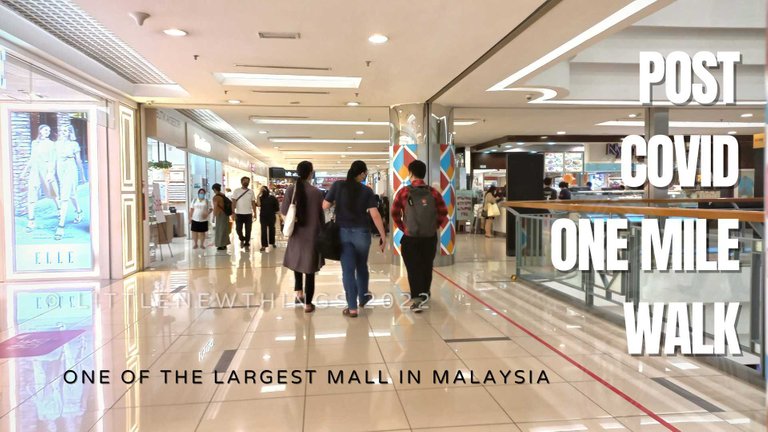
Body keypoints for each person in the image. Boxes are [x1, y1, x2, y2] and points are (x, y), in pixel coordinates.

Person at [323, 160, 387, 318]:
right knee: (362, 266)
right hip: (362, 233)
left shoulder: (338, 186)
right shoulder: (366, 191)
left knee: (348, 270)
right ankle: (363, 298)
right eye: (365, 173)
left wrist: (336, 203)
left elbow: (324, 205)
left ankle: (352, 307)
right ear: (362, 174)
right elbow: (375, 214)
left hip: (343, 233)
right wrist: (383, 235)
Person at [391, 160, 448, 312]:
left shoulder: (404, 192)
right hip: (429, 236)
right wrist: (434, 226)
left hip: (411, 237)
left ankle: (417, 299)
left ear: (410, 173)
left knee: (413, 268)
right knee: (426, 265)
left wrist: (404, 228)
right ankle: (425, 293)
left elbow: (394, 213)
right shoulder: (434, 192)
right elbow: (443, 212)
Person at [282, 161, 325, 313]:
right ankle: (308, 304)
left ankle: (299, 294)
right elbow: (320, 216)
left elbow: (284, 213)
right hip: (312, 235)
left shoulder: (290, 190)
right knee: (310, 269)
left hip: (296, 234)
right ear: (310, 173)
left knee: (297, 263)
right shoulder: (316, 192)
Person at [21, 124, 58, 232]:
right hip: (34, 171)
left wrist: (50, 173)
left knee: (53, 192)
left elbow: (52, 160)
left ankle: (60, 210)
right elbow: (32, 158)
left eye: (49, 130)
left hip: (46, 169)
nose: (48, 132)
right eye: (45, 130)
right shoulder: (34, 143)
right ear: (40, 130)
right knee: (31, 194)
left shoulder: (51, 144)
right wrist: (24, 171)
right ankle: (31, 221)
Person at [53, 124, 86, 241]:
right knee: (71, 195)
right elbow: (53, 159)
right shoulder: (56, 144)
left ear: (69, 133)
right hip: (60, 168)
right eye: (61, 130)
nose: (63, 132)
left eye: (66, 131)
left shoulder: (74, 144)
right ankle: (79, 212)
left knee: (64, 197)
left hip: (70, 168)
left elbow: (79, 160)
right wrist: (51, 172)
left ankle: (60, 227)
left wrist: (82, 175)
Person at [231, 176, 257, 249]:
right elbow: (233, 202)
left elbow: (253, 203)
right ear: (241, 182)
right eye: (245, 181)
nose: (246, 182)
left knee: (248, 230)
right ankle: (242, 238)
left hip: (248, 214)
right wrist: (233, 213)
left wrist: (255, 213)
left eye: (247, 181)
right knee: (238, 229)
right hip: (239, 214)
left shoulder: (251, 192)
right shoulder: (236, 191)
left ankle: (247, 242)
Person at [257, 186, 279, 252]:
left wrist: (277, 212)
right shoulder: (260, 198)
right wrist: (258, 195)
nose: (263, 191)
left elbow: (277, 208)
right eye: (262, 190)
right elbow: (258, 205)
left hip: (271, 216)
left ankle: (272, 242)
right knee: (263, 230)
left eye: (263, 189)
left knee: (272, 229)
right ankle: (264, 245)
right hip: (263, 217)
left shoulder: (273, 198)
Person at [211, 183, 231, 251]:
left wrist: (213, 217)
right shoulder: (223, 195)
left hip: (220, 214)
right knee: (224, 229)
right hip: (225, 214)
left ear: (214, 189)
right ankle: (224, 244)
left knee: (220, 230)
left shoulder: (216, 197)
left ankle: (221, 245)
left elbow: (215, 207)